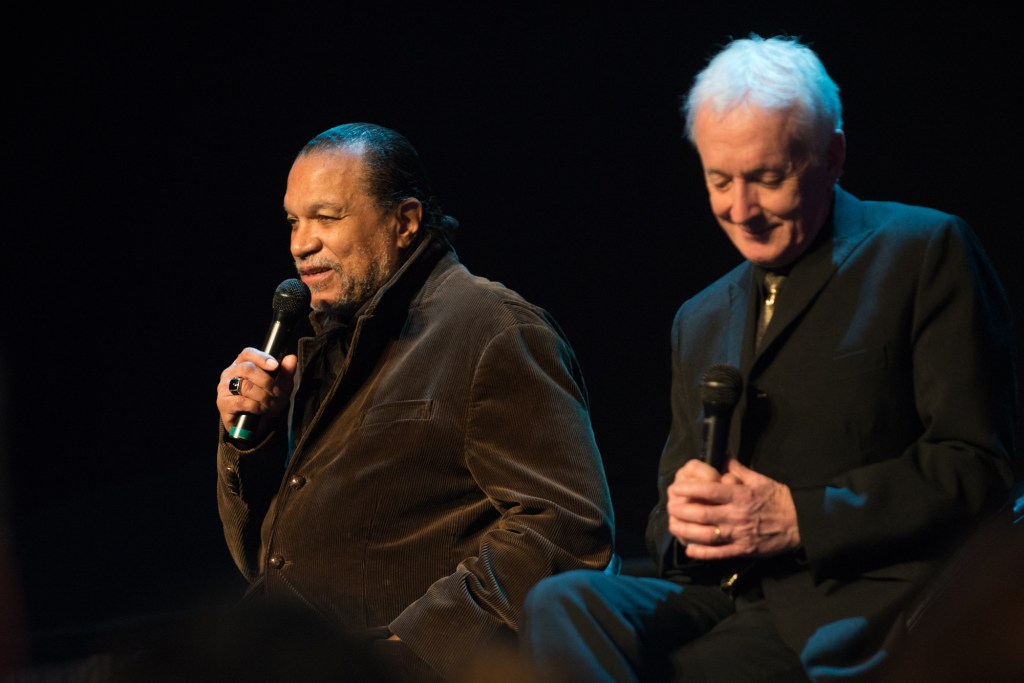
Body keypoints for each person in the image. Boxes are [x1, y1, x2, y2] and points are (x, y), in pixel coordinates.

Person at [519, 34, 1018, 682]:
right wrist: (683, 520)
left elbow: (978, 466)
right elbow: (667, 517)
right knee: (562, 603)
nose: (740, 209)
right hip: (718, 594)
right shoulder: (699, 317)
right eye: (719, 179)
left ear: (832, 156)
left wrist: (797, 517)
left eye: (767, 178)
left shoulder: (922, 252)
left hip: (848, 602)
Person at [214, 122, 616, 682]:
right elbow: (266, 558)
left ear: (404, 222)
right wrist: (251, 438)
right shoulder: (319, 350)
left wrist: (416, 646)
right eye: (293, 220)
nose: (300, 243)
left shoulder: (489, 326)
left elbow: (568, 527)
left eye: (327, 217)